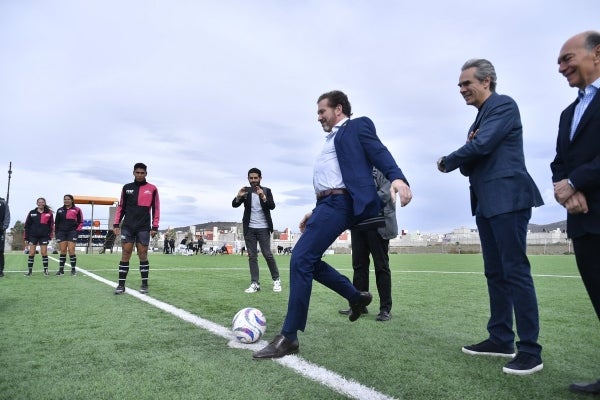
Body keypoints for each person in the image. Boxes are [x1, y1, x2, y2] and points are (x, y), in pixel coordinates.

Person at [253, 90, 412, 359]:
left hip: (341, 204)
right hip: (326, 205)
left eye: (321, 112)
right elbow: (332, 178)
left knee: (300, 259)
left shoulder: (357, 126)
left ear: (338, 109)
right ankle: (355, 296)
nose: (318, 118)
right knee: (309, 261)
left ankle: (289, 336)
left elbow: (379, 152)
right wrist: (314, 211)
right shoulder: (331, 140)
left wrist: (397, 178)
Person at [437, 59, 544, 375]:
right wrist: (469, 152)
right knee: (495, 273)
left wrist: (448, 160)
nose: (461, 89)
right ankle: (500, 339)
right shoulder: (476, 121)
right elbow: (472, 163)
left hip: (508, 199)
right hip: (486, 204)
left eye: (466, 83)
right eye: (459, 85)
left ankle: (530, 351)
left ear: (487, 81)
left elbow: (480, 148)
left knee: (515, 271)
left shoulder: (503, 106)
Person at [551, 30, 600, 395]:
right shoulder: (569, 112)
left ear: (596, 54)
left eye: (567, 59)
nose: (561, 68)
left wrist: (577, 181)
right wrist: (564, 190)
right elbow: (558, 163)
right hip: (582, 220)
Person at [338, 168, 397, 322]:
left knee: (381, 267)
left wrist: (362, 199)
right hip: (358, 225)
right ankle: (359, 305)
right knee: (359, 267)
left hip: (379, 226)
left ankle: (385, 309)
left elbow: (385, 193)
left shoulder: (383, 170)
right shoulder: (355, 172)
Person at [113, 162, 160, 295]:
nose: (139, 175)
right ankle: (121, 285)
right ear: (133, 173)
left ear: (146, 174)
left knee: (142, 254)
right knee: (125, 254)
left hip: (144, 227)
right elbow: (121, 207)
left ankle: (144, 284)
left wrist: (155, 226)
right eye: (137, 172)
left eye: (142, 173)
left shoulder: (152, 189)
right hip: (128, 226)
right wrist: (116, 224)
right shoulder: (126, 188)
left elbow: (156, 208)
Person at [232, 167, 281, 293]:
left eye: (255, 178)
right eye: (251, 178)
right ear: (248, 179)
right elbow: (234, 204)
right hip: (249, 228)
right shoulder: (246, 191)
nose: (253, 180)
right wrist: (238, 196)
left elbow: (272, 206)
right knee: (252, 256)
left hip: (264, 228)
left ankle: (276, 280)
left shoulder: (266, 190)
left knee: (267, 254)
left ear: (260, 178)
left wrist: (263, 196)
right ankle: (255, 283)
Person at [23, 198, 55, 276]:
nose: (41, 203)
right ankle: (29, 272)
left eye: (42, 202)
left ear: (44, 203)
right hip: (32, 236)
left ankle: (46, 271)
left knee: (44, 253)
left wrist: (50, 236)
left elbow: (51, 226)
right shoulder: (32, 212)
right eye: (39, 202)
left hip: (44, 236)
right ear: (37, 203)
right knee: (32, 253)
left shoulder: (49, 213)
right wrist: (26, 237)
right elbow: (27, 226)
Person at [54, 194, 83, 276]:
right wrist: (56, 233)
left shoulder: (77, 209)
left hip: (72, 232)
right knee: (63, 250)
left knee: (71, 250)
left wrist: (77, 231)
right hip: (61, 232)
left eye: (68, 199)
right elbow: (56, 223)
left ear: (72, 200)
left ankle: (73, 270)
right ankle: (61, 270)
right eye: (65, 199)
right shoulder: (59, 210)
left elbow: (81, 222)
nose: (66, 200)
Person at [0, 196, 10, 277]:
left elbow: (7, 216)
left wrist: (4, 227)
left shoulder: (3, 203)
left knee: (0, 252)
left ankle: (0, 270)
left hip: (0, 231)